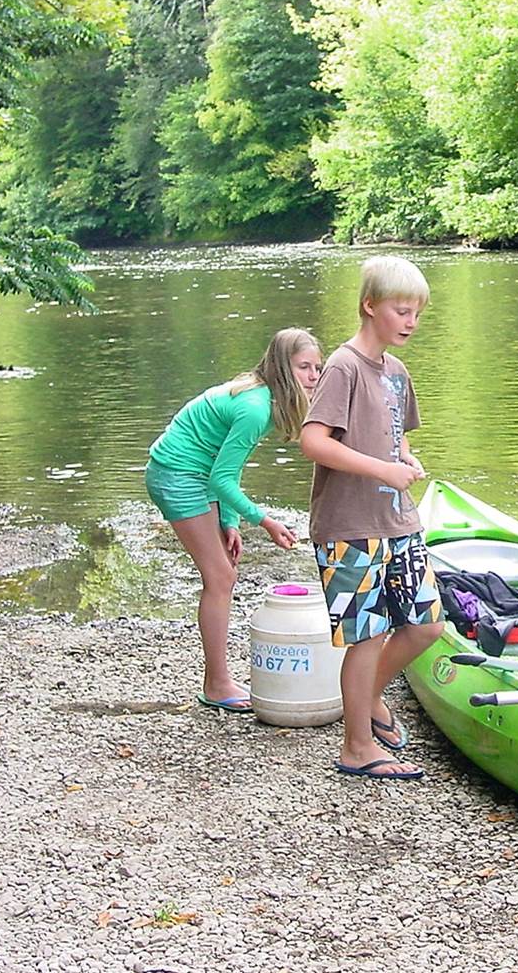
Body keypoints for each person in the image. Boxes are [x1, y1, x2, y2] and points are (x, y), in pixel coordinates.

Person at [300, 256, 443, 780]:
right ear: (370, 306)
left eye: (417, 314)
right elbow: (314, 441)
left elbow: (396, 433)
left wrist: (404, 457)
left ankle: (369, 698)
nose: (410, 322)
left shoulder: (397, 372)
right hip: (348, 527)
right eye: (401, 311)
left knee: (426, 626)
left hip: (399, 521)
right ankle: (356, 746)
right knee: (366, 636)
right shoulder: (342, 367)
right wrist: (382, 465)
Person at [145, 327, 323, 712]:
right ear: (280, 368)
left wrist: (229, 521)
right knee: (221, 576)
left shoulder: (263, 397)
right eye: (303, 367)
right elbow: (220, 478)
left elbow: (227, 468)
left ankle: (219, 678)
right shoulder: (255, 408)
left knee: (225, 570)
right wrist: (264, 521)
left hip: (197, 471)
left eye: (317, 368)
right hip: (177, 474)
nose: (313, 376)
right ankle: (217, 684)